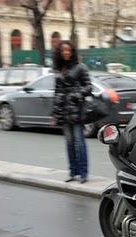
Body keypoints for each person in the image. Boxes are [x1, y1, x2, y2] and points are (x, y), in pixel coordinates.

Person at [51, 40, 92, 184]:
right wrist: (54, 114)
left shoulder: (80, 67)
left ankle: (83, 173)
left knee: (79, 143)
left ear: (72, 51)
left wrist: (76, 94)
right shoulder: (58, 69)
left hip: (76, 111)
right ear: (59, 53)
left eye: (68, 50)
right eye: (63, 50)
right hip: (63, 112)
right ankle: (72, 172)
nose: (66, 52)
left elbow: (89, 87)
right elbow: (57, 92)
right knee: (69, 143)